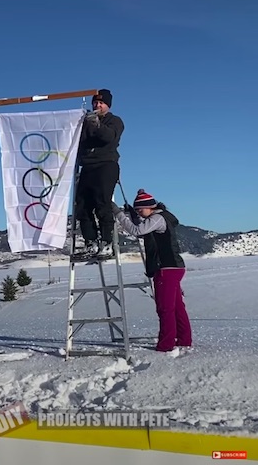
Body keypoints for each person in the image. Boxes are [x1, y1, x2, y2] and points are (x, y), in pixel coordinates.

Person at [112, 189, 191, 352]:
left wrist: (119, 214)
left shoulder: (157, 218)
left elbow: (137, 231)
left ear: (150, 206)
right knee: (176, 307)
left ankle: (166, 344)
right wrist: (133, 216)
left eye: (141, 210)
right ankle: (184, 339)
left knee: (165, 308)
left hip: (166, 268)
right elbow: (143, 229)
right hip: (175, 267)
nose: (140, 213)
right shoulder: (163, 217)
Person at [75, 89, 124, 259]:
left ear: (107, 105)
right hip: (87, 166)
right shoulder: (85, 123)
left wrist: (96, 124)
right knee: (82, 205)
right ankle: (91, 242)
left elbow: (108, 137)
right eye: (95, 102)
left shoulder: (114, 121)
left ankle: (106, 242)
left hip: (106, 164)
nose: (97, 105)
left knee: (102, 203)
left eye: (101, 103)